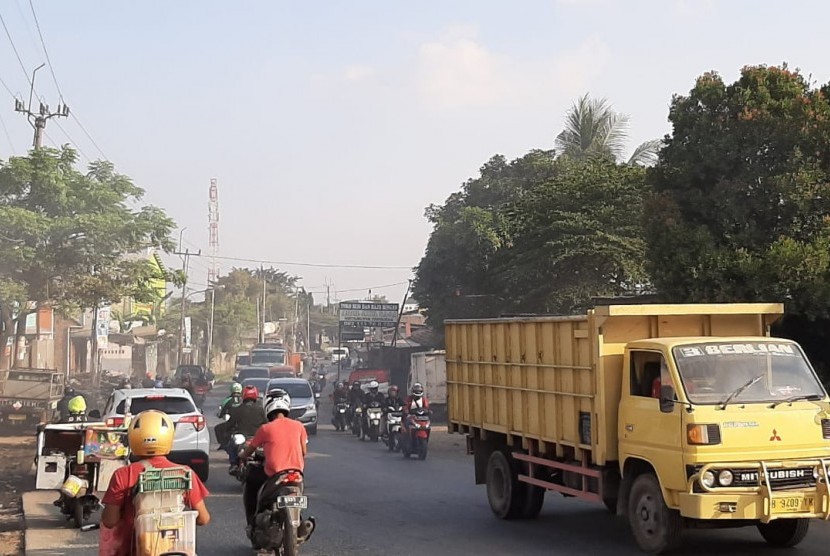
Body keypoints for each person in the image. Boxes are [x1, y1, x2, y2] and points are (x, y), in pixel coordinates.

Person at [101, 410, 210, 551]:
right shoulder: (185, 473)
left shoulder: (123, 474)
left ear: (133, 438)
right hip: (174, 549)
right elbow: (204, 518)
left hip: (135, 549)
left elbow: (110, 521)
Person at [238, 394, 314, 542]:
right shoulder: (299, 426)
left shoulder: (265, 429)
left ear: (268, 408)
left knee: (251, 483)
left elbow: (249, 451)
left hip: (275, 476)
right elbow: (304, 451)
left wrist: (241, 455)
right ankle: (300, 524)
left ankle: (252, 524)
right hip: (297, 475)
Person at [225, 385, 267, 472]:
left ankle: (233, 464)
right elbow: (266, 423)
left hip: (242, 437)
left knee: (230, 445)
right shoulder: (261, 410)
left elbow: (230, 423)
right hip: (257, 438)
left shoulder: (237, 409)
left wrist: (228, 430)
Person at [214, 382, 243, 450]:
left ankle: (223, 444)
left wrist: (219, 415)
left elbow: (221, 413)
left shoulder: (227, 400)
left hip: (231, 422)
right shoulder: (244, 400)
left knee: (217, 428)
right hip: (243, 422)